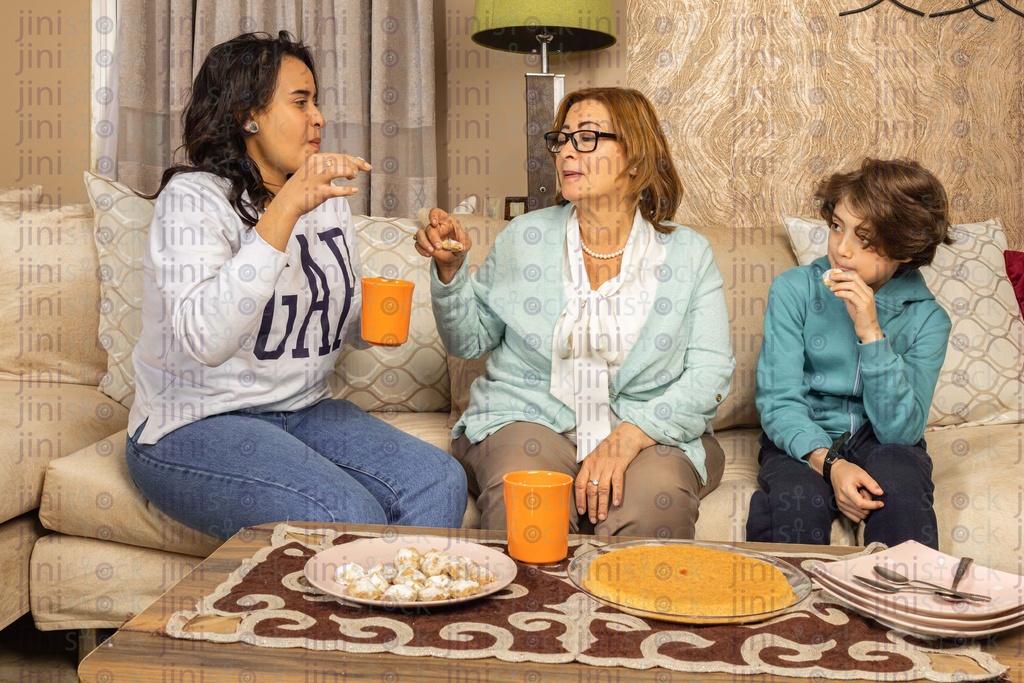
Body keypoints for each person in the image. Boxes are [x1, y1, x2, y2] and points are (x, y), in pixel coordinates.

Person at [124, 31, 467, 540]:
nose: (319, 118)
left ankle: (402, 617)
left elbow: (344, 328)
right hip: (193, 424)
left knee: (439, 481)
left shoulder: (326, 201)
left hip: (303, 410)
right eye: (300, 102)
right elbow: (207, 339)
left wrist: (424, 274)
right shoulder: (193, 200)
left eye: (317, 102)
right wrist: (286, 207)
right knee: (343, 516)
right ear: (248, 114)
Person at [414, 87, 735, 538]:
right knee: (529, 502)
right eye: (562, 138)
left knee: (653, 504)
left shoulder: (688, 253)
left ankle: (635, 610)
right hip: (530, 420)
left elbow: (711, 372)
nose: (566, 151)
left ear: (637, 160)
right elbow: (468, 340)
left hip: (644, 431)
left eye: (586, 138)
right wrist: (450, 274)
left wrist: (628, 437)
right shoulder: (525, 237)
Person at [746, 158, 952, 549]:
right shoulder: (794, 290)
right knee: (796, 501)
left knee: (902, 482)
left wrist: (871, 332)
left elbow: (902, 431)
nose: (841, 249)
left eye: (865, 238)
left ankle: (901, 607)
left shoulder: (929, 320)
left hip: (884, 442)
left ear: (906, 248)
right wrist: (830, 464)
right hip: (803, 435)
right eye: (837, 226)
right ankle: (785, 606)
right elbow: (777, 401)